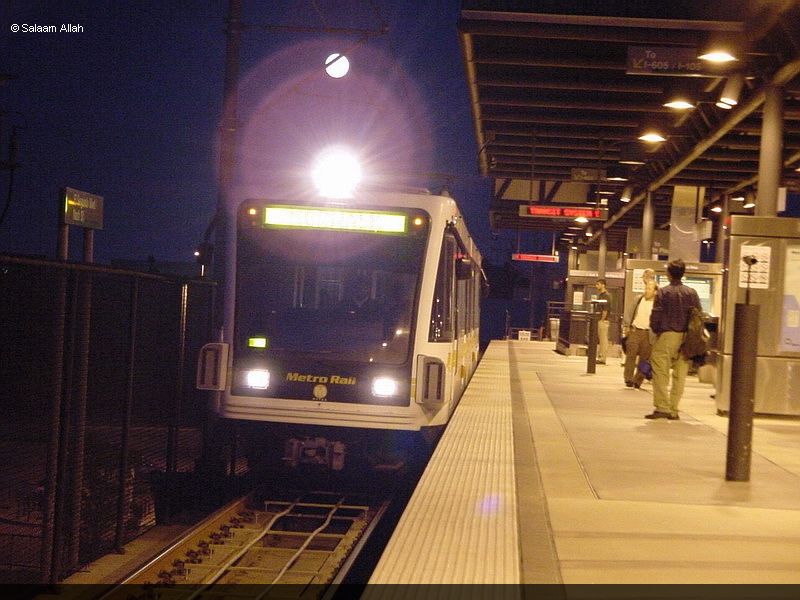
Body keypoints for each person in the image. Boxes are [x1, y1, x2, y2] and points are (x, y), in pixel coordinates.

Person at [646, 259, 702, 420]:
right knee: (680, 374)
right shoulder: (691, 293)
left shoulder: (663, 292)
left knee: (660, 371)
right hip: (687, 337)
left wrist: (656, 330)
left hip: (667, 335)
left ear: (669, 274)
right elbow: (698, 314)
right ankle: (673, 408)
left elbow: (656, 314)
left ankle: (662, 407)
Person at [622, 279, 657, 388]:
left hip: (648, 334)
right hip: (635, 331)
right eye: (646, 288)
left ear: (655, 291)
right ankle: (628, 379)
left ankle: (638, 380)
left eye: (650, 289)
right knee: (630, 356)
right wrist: (627, 326)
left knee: (644, 359)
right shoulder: (638, 299)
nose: (647, 291)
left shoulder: (657, 304)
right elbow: (629, 312)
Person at [594, 278, 611, 364]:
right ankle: (600, 356)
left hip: (603, 321)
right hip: (600, 320)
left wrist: (602, 319)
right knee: (601, 339)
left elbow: (605, 310)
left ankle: (602, 358)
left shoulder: (606, 296)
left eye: (598, 284)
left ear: (603, 285)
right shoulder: (601, 295)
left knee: (603, 340)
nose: (596, 286)